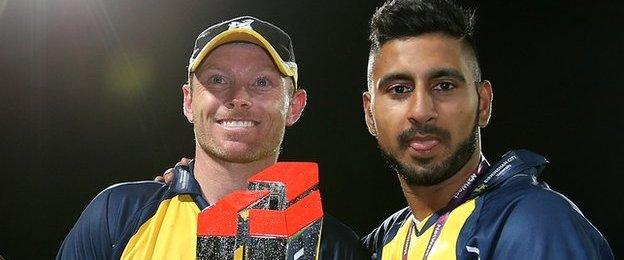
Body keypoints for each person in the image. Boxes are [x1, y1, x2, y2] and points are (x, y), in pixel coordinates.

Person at [57, 16, 368, 259]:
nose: (238, 97)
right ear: (189, 101)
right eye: (218, 79)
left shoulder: (332, 246)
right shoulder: (117, 215)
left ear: (295, 106)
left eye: (261, 82)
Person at [360, 0, 613, 259]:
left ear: (483, 103)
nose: (422, 111)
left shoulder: (534, 224)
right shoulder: (379, 244)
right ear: (370, 114)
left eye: (444, 86)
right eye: (399, 89)